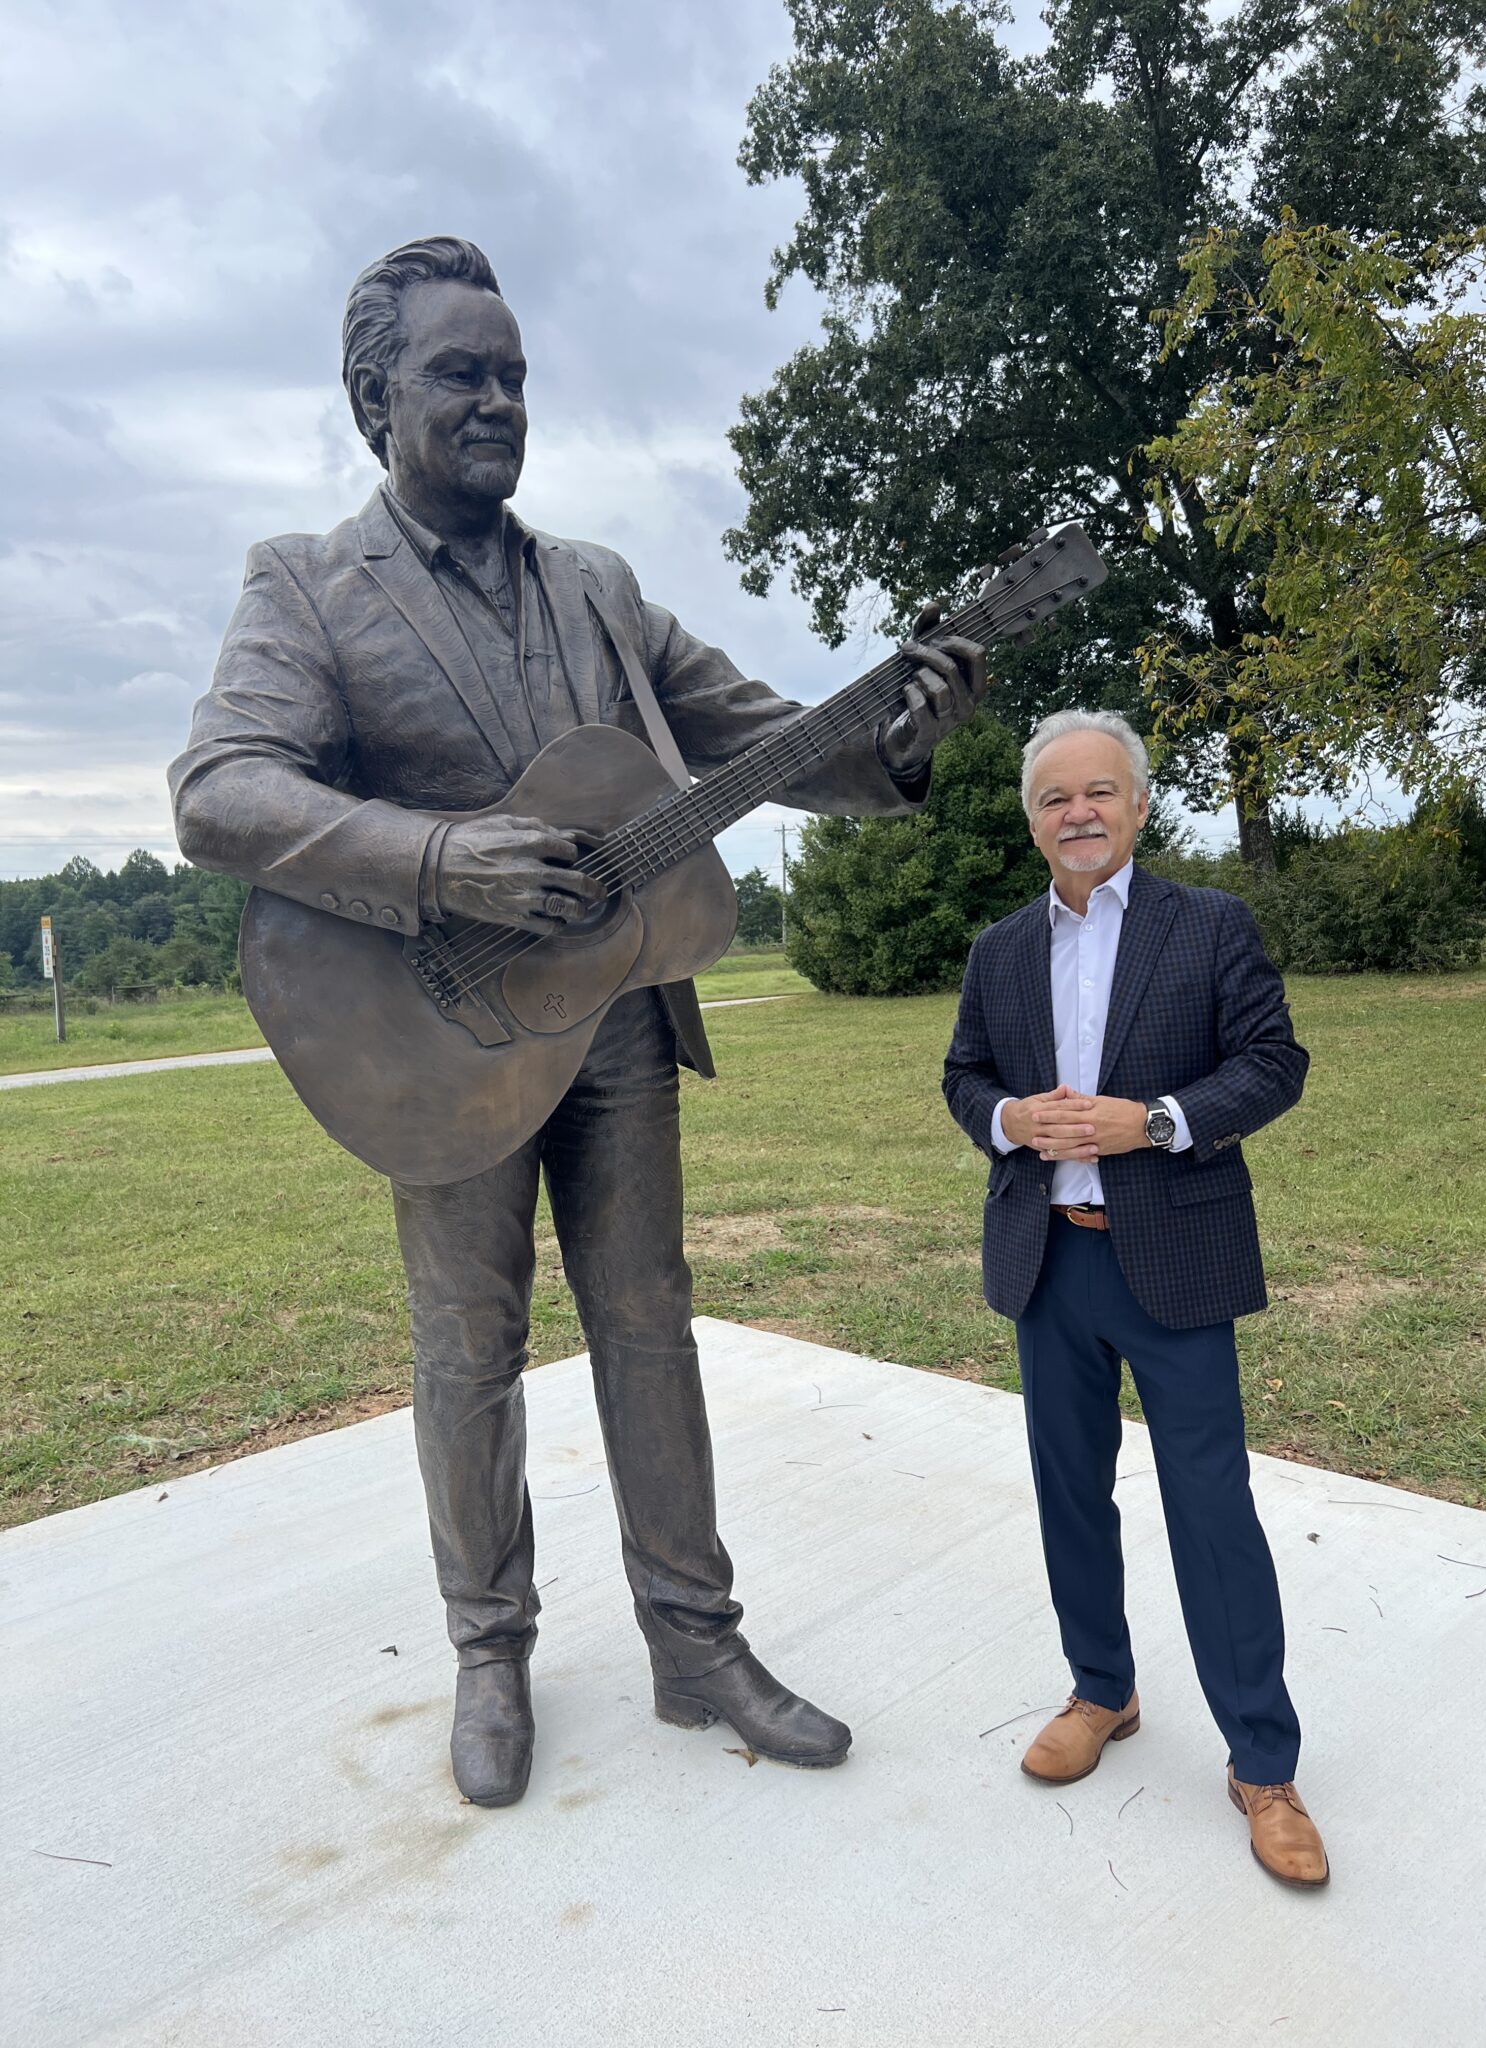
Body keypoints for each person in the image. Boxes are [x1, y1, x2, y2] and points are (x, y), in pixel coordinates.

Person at [170, 236, 985, 1806]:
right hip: (430, 1039)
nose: (498, 401)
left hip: (613, 1025)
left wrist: (892, 741)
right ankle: (490, 1651)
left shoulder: (599, 588)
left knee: (650, 1326)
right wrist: (433, 858)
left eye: (515, 375)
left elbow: (767, 738)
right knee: (470, 1351)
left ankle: (697, 1642)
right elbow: (220, 792)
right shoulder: (306, 583)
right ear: (373, 395)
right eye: (461, 373)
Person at [941, 709, 1328, 1888]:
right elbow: (965, 1075)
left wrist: (1151, 1121)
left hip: (1172, 1260)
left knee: (1211, 1508)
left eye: (1100, 791)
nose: (1079, 813)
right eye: (1056, 798)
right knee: (1070, 1492)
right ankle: (1103, 1688)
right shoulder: (1002, 949)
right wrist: (1012, 1121)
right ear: (1032, 819)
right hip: (1047, 1262)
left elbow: (1273, 1062)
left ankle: (1263, 1761)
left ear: (1142, 805)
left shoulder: (1208, 925)